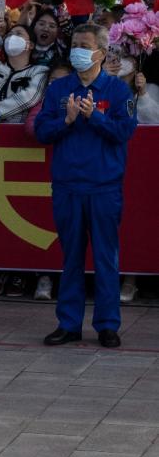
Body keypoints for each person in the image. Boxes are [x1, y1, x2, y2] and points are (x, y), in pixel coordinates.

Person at [35, 24, 138, 348]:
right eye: (75, 44)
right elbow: (41, 131)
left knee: (106, 257)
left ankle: (107, 324)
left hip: (103, 186)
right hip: (68, 185)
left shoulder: (118, 90)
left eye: (85, 45)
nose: (78, 50)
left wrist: (96, 117)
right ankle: (69, 323)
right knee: (72, 257)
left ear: (102, 53)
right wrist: (66, 120)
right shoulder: (59, 89)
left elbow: (125, 132)